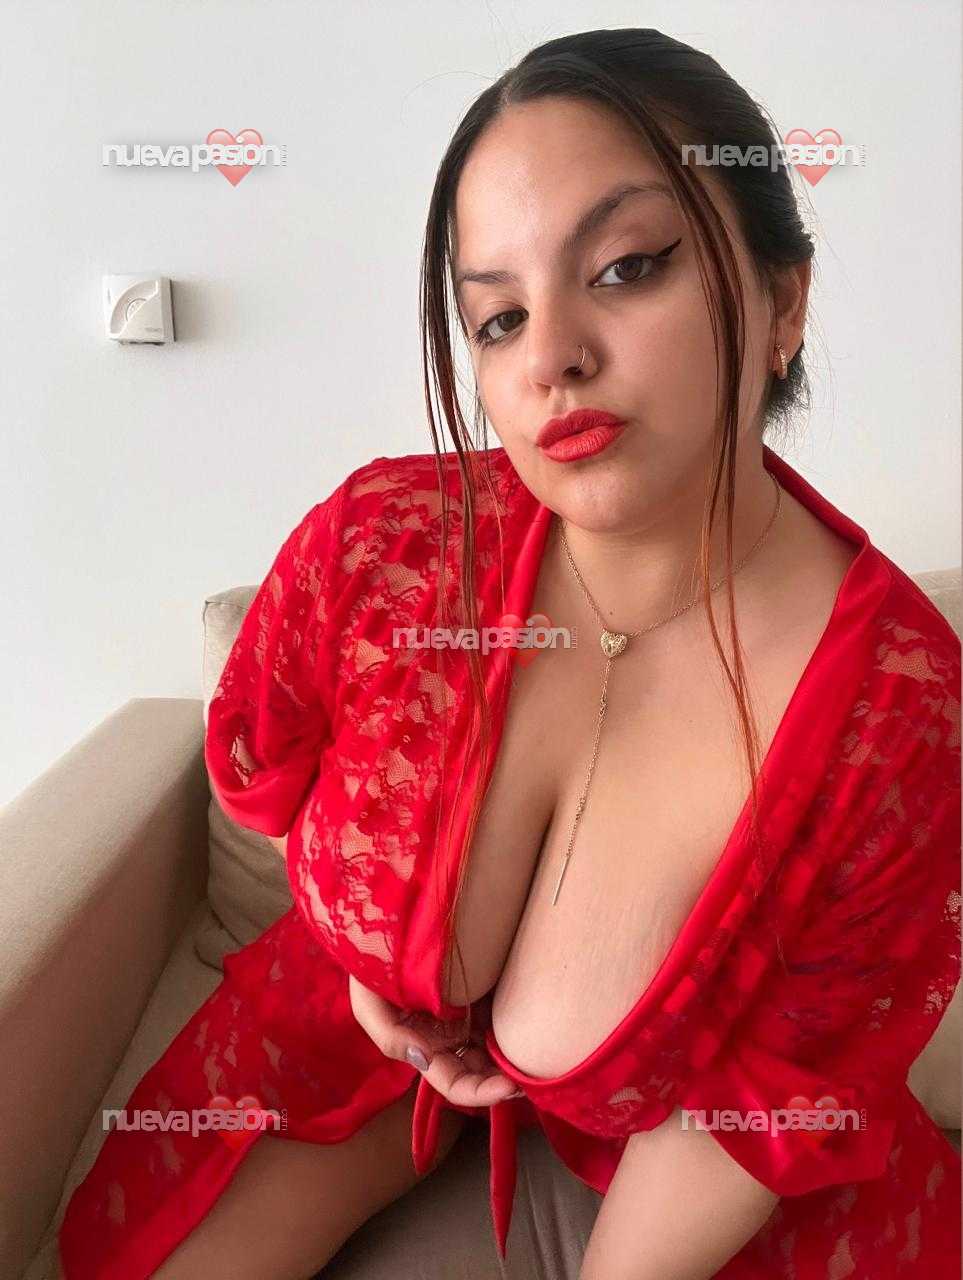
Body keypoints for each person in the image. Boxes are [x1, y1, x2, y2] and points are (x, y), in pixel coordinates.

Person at [58, 27, 960, 1280]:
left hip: (688, 1164)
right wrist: (371, 961)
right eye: (498, 316)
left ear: (783, 303)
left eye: (627, 266)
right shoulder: (384, 546)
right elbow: (268, 758)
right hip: (337, 1058)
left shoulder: (900, 710)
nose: (550, 359)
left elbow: (756, 1113)